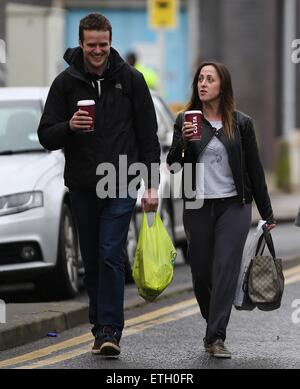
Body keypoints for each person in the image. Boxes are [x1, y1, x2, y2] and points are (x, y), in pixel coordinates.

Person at [38, 13, 160, 357]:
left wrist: (151, 184)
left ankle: (110, 330)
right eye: (91, 45)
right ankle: (98, 325)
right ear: (81, 43)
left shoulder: (132, 80)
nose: (98, 51)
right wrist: (69, 126)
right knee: (91, 259)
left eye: (103, 45)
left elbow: (148, 137)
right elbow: (46, 135)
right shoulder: (65, 84)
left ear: (110, 42)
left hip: (122, 181)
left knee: (110, 254)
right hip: (82, 186)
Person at [167, 61, 276, 359]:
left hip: (234, 206)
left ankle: (216, 336)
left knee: (226, 267)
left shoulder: (241, 123)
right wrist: (185, 142)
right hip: (198, 206)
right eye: (200, 79)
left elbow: (255, 170)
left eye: (209, 79)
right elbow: (173, 165)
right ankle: (212, 319)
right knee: (202, 273)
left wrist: (266, 213)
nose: (203, 83)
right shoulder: (184, 120)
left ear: (222, 86)